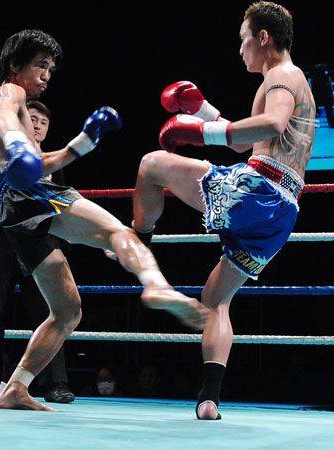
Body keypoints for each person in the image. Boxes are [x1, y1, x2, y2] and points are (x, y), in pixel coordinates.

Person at [0, 29, 209, 411]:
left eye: (51, 69)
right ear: (16, 65)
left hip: (13, 210)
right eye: (40, 65)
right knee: (120, 232)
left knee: (67, 310)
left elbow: (40, 163)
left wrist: (85, 141)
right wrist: (19, 146)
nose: (47, 75)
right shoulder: (9, 93)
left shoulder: (12, 109)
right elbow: (5, 119)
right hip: (31, 194)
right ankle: (157, 286)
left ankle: (16, 388)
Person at [132, 1, 316, 420]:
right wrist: (202, 110)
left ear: (263, 38)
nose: (240, 49)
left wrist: (200, 132)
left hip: (259, 190)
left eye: (243, 39)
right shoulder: (289, 81)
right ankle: (209, 399)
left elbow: (272, 125)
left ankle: (136, 245)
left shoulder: (283, 74)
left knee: (151, 165)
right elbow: (246, 141)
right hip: (282, 211)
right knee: (215, 299)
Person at [0, 100, 74, 403]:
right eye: (32, 118)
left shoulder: (53, 163)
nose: (37, 125)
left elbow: (63, 209)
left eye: (43, 122)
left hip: (39, 239)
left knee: (49, 310)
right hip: (2, 239)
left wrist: (71, 242)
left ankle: (55, 384)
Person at [308, 63, 334, 128]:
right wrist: (309, 93)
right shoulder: (313, 70)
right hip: (316, 92)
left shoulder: (326, 70)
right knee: (314, 109)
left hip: (326, 92)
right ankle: (312, 124)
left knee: (329, 109)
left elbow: (329, 80)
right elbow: (310, 82)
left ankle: (332, 123)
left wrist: (332, 91)